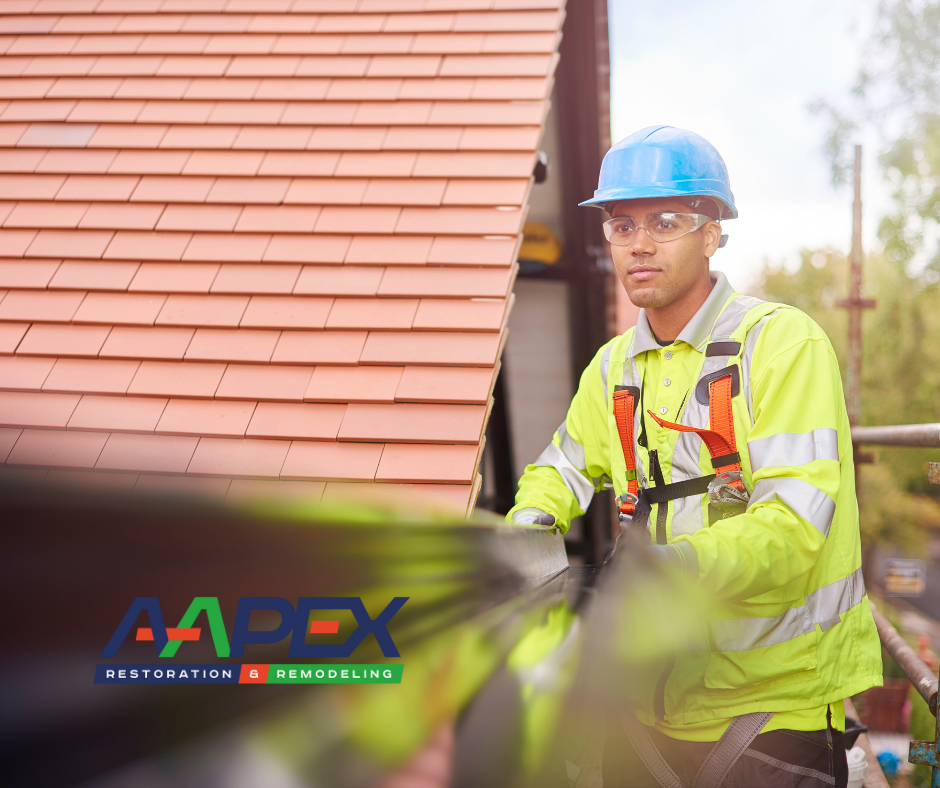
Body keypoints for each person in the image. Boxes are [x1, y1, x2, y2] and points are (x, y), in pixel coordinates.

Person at [507, 126, 882, 787]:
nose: (640, 244)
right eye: (621, 225)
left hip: (774, 711)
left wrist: (662, 572)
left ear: (713, 233)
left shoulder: (783, 347)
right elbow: (559, 470)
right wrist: (524, 538)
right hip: (650, 704)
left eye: (667, 221)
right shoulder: (613, 369)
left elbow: (794, 528)